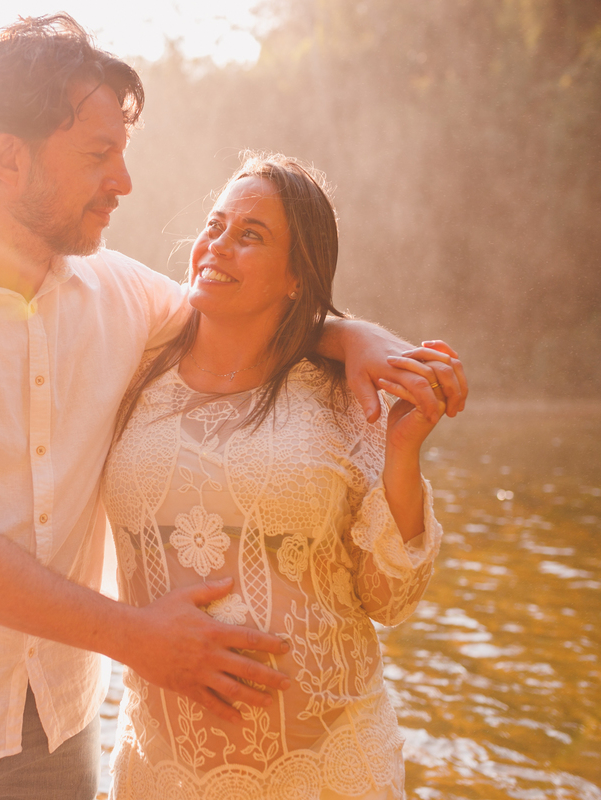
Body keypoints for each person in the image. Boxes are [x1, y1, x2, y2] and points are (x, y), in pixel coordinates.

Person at [0, 14, 466, 800]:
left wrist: (361, 341)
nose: (123, 181)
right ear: (9, 158)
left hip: (58, 739)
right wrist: (138, 640)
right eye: (97, 155)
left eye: (122, 153)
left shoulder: (123, 296)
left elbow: (244, 310)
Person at [103, 153, 450, 799]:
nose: (217, 245)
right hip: (164, 773)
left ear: (297, 277)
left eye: (251, 235)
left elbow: (391, 600)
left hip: (331, 771)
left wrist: (402, 453)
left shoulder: (345, 397)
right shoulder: (131, 365)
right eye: (216, 225)